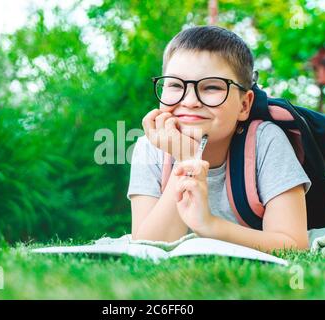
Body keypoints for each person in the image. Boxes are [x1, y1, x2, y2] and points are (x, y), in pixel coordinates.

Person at [126, 26, 311, 252]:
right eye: (175, 85)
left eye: (212, 87)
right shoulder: (150, 148)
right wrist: (186, 160)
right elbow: (148, 245)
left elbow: (294, 244)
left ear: (244, 105)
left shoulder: (266, 142)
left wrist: (209, 225)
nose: (190, 101)